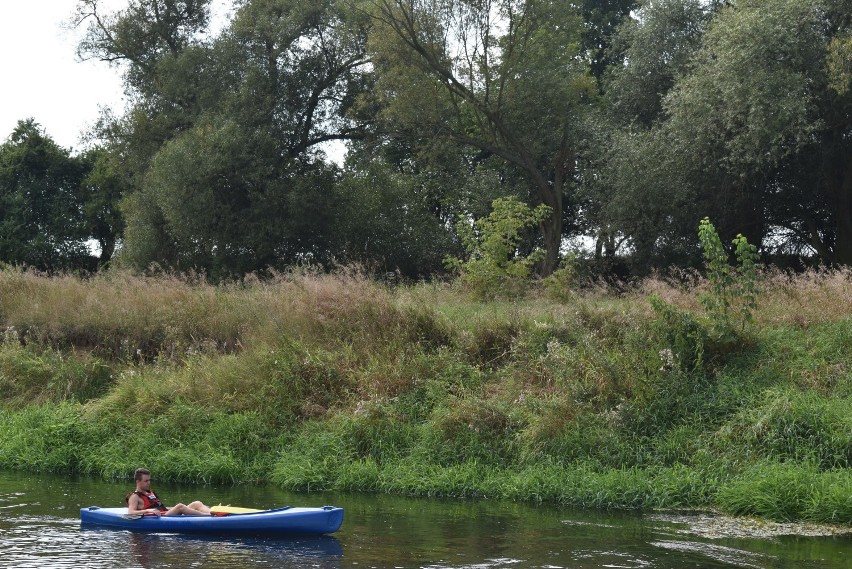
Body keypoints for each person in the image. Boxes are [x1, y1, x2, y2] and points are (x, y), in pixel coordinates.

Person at [125, 467, 211, 516]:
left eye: (149, 480)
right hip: (161, 518)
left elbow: (160, 507)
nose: (149, 483)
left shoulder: (149, 493)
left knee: (197, 503)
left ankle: (214, 513)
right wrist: (149, 511)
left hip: (165, 513)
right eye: (146, 481)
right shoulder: (134, 496)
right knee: (180, 506)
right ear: (138, 481)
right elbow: (131, 512)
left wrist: (171, 508)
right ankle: (208, 517)